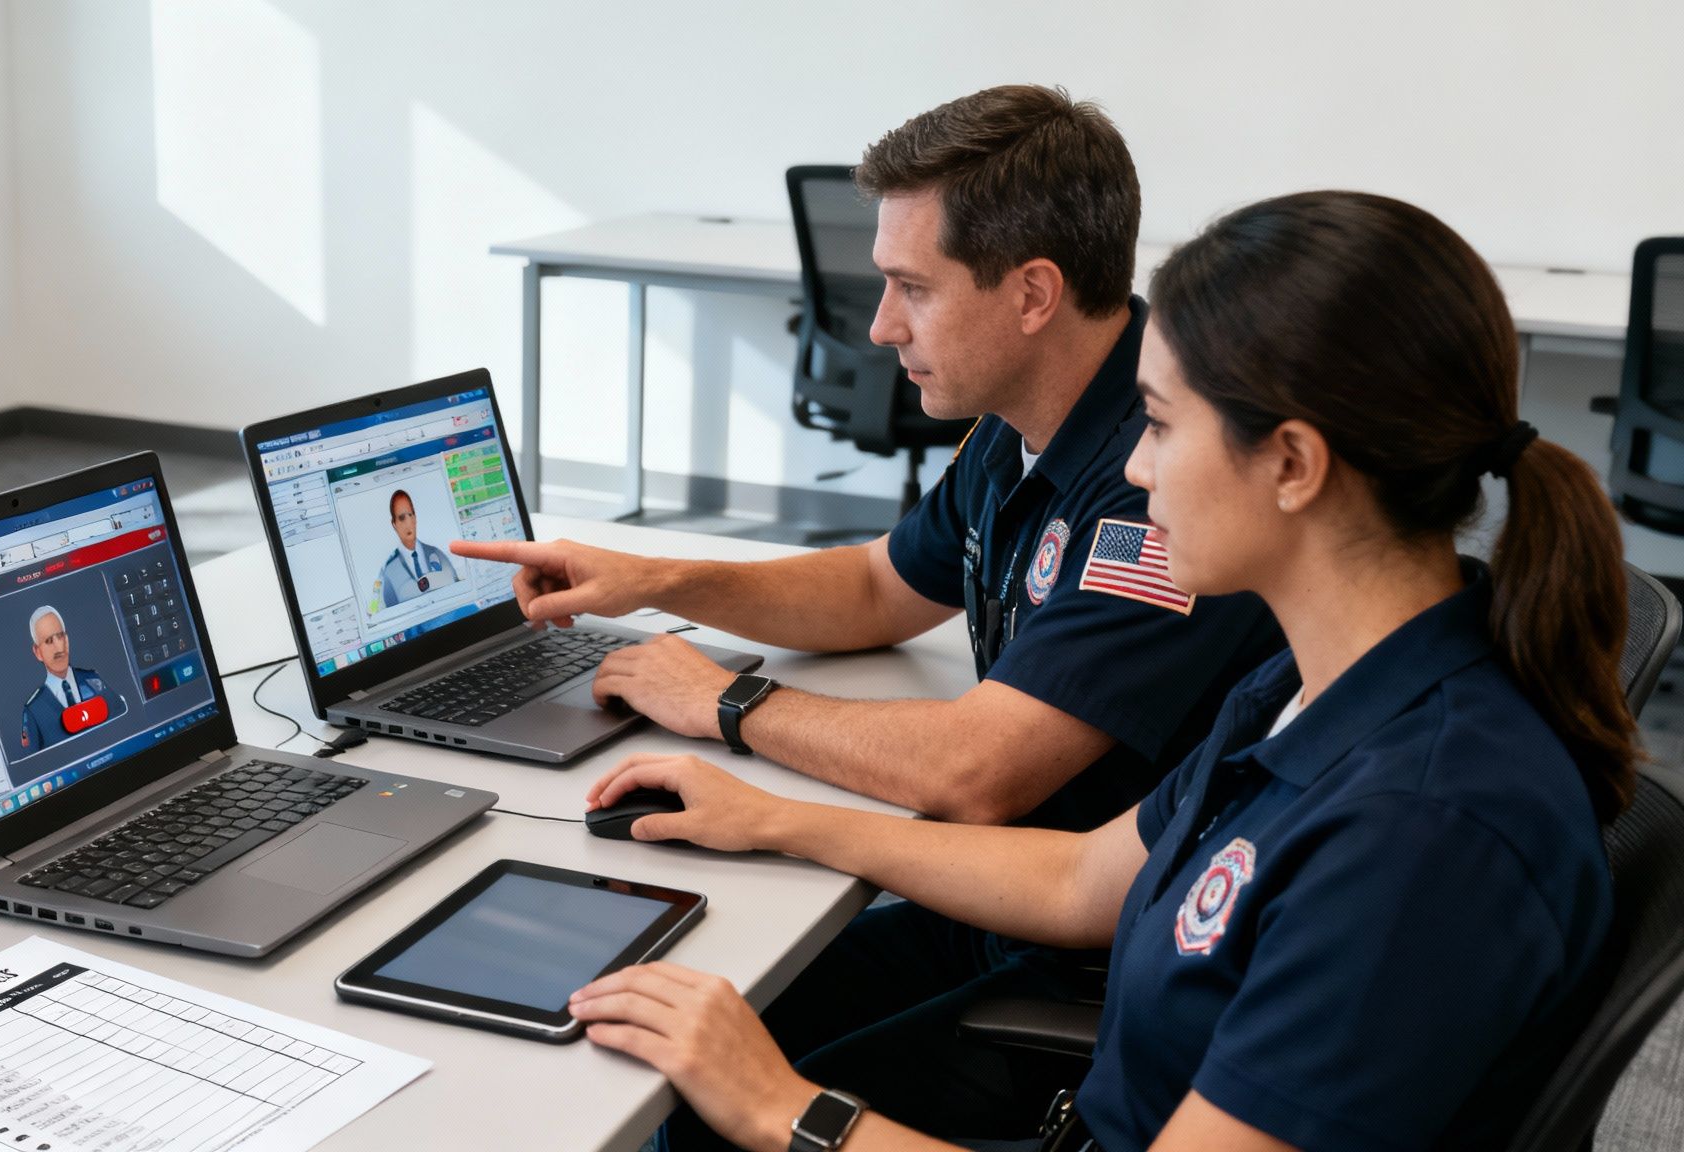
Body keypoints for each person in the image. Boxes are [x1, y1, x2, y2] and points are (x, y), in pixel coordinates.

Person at [567, 191, 1632, 1152]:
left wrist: (786, 1112)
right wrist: (773, 820)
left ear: (1292, 464)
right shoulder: (1311, 685)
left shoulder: (1418, 833)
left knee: (701, 1112)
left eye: (1160, 425)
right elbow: (1082, 881)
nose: (1131, 464)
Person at [456, 85, 1281, 1131]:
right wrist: (656, 579)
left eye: (911, 289)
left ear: (1032, 294)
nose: (882, 325)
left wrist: (728, 705)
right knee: (665, 1004)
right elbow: (876, 585)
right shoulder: (1025, 410)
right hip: (1008, 894)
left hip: (1084, 960)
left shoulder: (1154, 487)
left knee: (690, 1091)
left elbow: (974, 770)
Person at [18, 606, 125, 753]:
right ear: (38, 652)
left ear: (67, 641)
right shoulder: (34, 710)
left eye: (60, 636)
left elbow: (124, 724)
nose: (58, 647)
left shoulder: (94, 681)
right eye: (49, 641)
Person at [378, 489, 457, 607]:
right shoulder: (389, 572)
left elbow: (457, 588)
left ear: (415, 518)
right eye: (401, 518)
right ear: (394, 524)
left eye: (410, 515)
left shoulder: (438, 554)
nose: (408, 523)